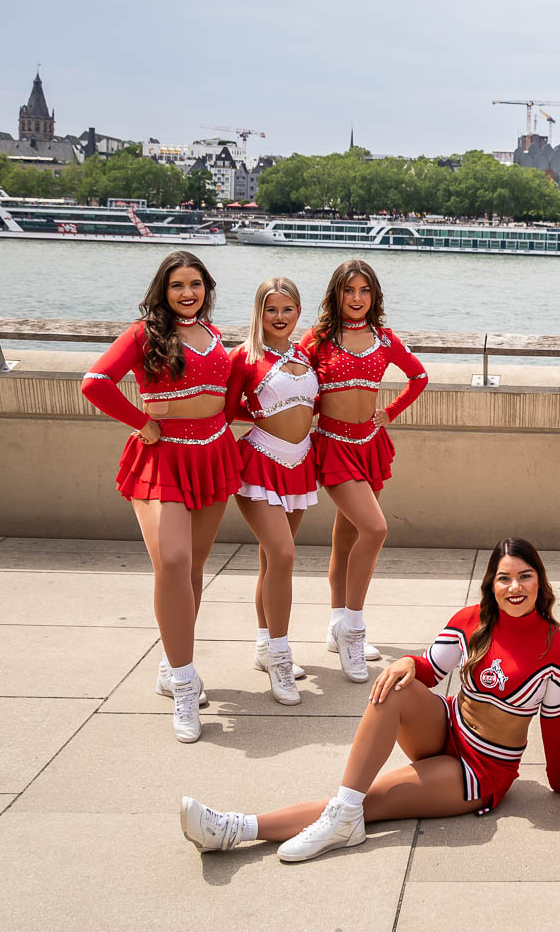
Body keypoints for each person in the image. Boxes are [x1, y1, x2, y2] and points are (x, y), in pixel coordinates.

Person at [180, 538, 560, 859]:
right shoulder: (472, 621)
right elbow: (428, 671)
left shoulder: (558, 651)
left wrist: (559, 781)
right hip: (445, 727)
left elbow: (552, 723)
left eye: (525, 576)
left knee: (366, 803)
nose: (514, 587)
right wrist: (407, 662)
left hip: (480, 770)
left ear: (540, 581)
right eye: (504, 578)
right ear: (491, 585)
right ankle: (340, 813)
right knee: (395, 683)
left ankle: (236, 829)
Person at [80, 250, 243, 742]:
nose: (187, 293)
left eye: (195, 284)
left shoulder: (216, 337)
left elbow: (233, 395)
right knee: (172, 562)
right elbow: (95, 382)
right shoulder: (144, 334)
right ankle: (186, 684)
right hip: (162, 457)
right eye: (177, 285)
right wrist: (142, 422)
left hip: (213, 455)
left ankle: (172, 667)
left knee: (192, 570)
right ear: (163, 290)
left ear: (207, 288)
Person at [299, 260, 428, 684]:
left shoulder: (384, 339)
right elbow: (289, 381)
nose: (357, 298)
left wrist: (389, 411)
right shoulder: (317, 340)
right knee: (375, 530)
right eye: (349, 290)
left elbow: (418, 376)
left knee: (348, 538)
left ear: (374, 296)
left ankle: (337, 624)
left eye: (364, 291)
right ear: (336, 294)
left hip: (370, 445)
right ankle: (352, 629)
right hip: (333, 447)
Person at [227, 277, 318, 705]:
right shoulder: (245, 358)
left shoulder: (304, 353)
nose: (279, 317)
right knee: (283, 555)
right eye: (270, 309)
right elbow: (226, 411)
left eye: (287, 309)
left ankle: (265, 645)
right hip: (259, 465)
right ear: (258, 313)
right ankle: (281, 657)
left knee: (271, 562)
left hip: (300, 465)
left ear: (299, 312)